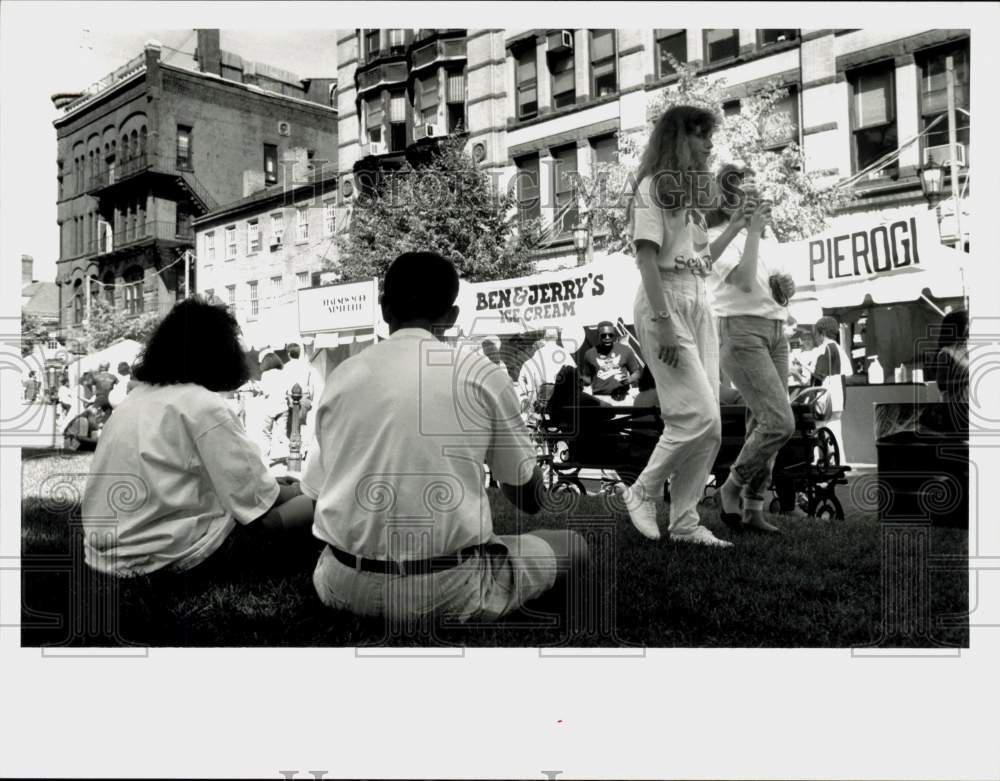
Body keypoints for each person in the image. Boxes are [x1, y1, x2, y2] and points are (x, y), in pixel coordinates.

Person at [304, 251, 588, 623]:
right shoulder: (481, 374)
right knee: (573, 545)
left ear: (384, 309)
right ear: (452, 317)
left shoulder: (341, 377)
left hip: (340, 584)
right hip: (447, 588)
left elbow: (315, 492)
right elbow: (530, 499)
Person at [80, 298, 313, 577]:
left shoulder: (136, 399)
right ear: (218, 352)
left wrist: (274, 485)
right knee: (315, 503)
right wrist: (303, 489)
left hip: (105, 553)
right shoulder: (203, 404)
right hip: (163, 556)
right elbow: (257, 500)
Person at [620, 104, 732, 547]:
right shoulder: (652, 187)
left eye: (710, 135)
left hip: (697, 300)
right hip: (662, 298)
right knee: (697, 415)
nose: (709, 144)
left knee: (712, 425)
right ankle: (642, 491)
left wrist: (736, 224)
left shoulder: (691, 203)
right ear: (678, 139)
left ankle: (684, 521)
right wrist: (664, 322)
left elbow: (702, 263)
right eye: (700, 135)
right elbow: (646, 257)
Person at [706, 164, 797, 534]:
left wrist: (785, 287)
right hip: (740, 331)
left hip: (776, 331)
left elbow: (774, 286)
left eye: (757, 193)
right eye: (747, 193)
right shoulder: (715, 236)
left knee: (762, 423)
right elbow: (743, 283)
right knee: (779, 422)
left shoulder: (766, 236)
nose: (757, 198)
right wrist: (754, 232)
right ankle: (731, 486)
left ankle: (753, 507)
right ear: (729, 202)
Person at [516, 327, 576, 418]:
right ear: (557, 337)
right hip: (562, 394)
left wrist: (529, 395)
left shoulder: (538, 354)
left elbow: (525, 377)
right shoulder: (565, 353)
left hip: (543, 396)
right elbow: (575, 373)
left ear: (545, 337)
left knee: (544, 421)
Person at [580, 321, 643, 406]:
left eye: (610, 335)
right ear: (598, 335)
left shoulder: (625, 350)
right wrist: (580, 378)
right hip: (600, 399)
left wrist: (629, 379)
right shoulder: (589, 354)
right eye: (603, 335)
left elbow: (636, 372)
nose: (607, 337)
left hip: (623, 398)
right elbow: (587, 378)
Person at [935, 308, 969, 405]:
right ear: (959, 327)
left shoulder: (967, 350)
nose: (970, 327)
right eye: (967, 324)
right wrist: (968, 379)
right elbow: (942, 384)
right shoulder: (946, 353)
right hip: (954, 407)